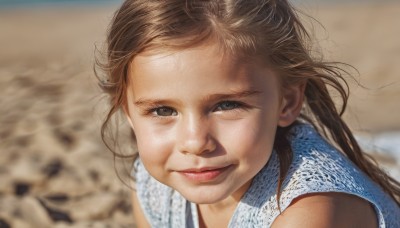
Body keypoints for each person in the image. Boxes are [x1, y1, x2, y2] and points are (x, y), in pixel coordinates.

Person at [96, 0, 400, 227]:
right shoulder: (153, 187)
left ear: (287, 102)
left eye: (226, 105)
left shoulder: (309, 212)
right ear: (128, 112)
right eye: (163, 110)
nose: (195, 142)